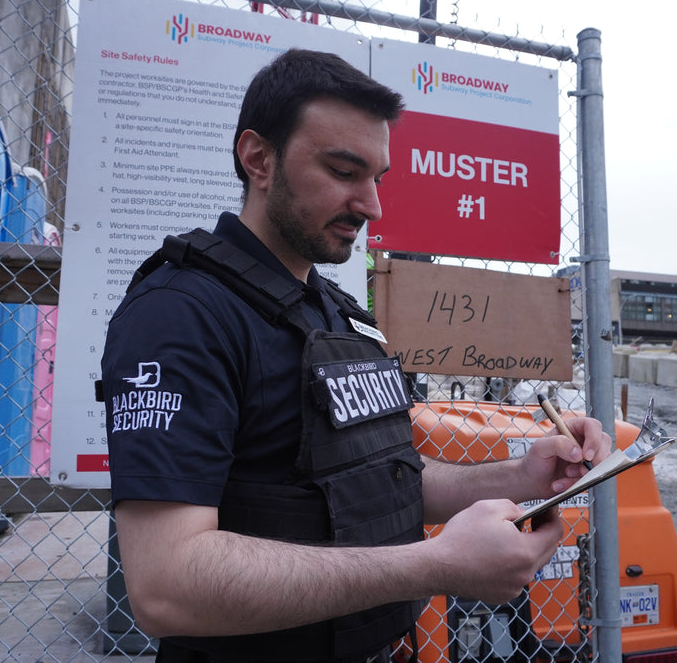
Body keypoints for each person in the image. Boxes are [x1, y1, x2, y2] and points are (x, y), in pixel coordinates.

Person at [101, 48, 612, 663]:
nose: (372, 205)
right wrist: (434, 564)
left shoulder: (338, 312)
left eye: (378, 178)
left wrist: (520, 477)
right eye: (344, 171)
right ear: (258, 159)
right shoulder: (182, 314)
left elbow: (383, 484)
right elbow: (167, 585)